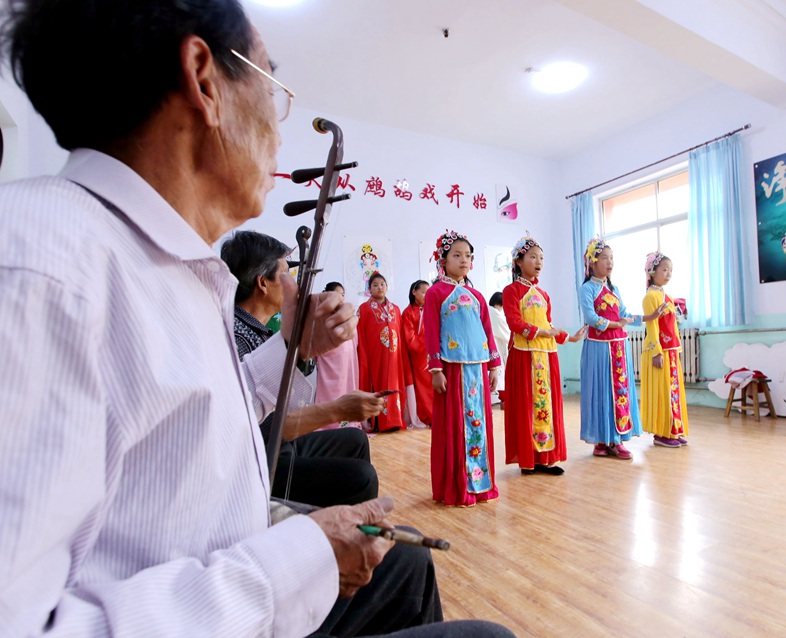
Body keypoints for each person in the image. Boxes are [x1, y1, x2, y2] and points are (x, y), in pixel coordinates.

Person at [0, 3, 515, 637]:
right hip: (211, 609)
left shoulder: (173, 265)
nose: (278, 125)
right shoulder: (37, 269)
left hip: (218, 571)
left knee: (404, 565)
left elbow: (215, 413)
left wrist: (296, 347)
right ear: (204, 80)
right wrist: (290, 562)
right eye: (272, 86)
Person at [221, 231, 380, 505]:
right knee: (360, 477)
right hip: (258, 461)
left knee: (355, 440)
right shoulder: (236, 335)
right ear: (263, 283)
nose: (294, 283)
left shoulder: (258, 330)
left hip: (280, 446)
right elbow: (265, 428)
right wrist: (339, 408)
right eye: (286, 274)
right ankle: (336, 538)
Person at [424, 230, 501, 507]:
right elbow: (431, 333)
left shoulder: (477, 296)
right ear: (442, 259)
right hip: (451, 369)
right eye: (456, 255)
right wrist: (436, 369)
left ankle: (480, 484)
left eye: (468, 255)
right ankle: (457, 487)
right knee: (455, 426)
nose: (464, 260)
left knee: (478, 424)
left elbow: (487, 332)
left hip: (477, 370)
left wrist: (493, 366)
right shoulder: (435, 293)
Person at [502, 235, 586, 475]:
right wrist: (543, 331)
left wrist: (570, 337)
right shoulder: (511, 291)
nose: (538, 262)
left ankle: (545, 458)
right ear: (518, 261)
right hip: (524, 356)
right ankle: (528, 459)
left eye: (541, 258)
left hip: (546, 358)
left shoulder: (543, 295)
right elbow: (514, 323)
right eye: (532, 257)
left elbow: (549, 324)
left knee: (546, 406)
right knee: (527, 406)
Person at [579, 238, 664, 460]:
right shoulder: (587, 289)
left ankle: (616, 438)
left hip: (618, 346)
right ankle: (601, 440)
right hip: (598, 348)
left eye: (612, 258)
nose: (610, 262)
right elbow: (591, 318)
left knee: (620, 392)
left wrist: (650, 317)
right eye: (605, 258)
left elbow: (625, 314)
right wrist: (616, 324)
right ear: (593, 262)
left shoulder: (614, 289)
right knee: (601, 391)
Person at [640, 251, 689, 448]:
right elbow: (652, 327)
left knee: (673, 391)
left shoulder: (667, 296)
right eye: (664, 270)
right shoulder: (650, 297)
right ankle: (662, 433)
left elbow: (673, 325)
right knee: (663, 392)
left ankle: (674, 430)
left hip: (671, 349)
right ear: (652, 272)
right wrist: (657, 351)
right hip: (659, 351)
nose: (668, 274)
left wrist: (677, 347)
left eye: (671, 270)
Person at [357, 272, 409, 432]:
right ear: (369, 289)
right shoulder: (364, 309)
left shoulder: (396, 309)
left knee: (394, 385)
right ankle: (378, 421)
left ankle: (394, 420)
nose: (379, 287)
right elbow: (360, 334)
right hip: (375, 357)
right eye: (375, 285)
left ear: (387, 287)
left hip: (394, 358)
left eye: (382, 284)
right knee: (378, 386)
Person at [314, 281, 365, 430]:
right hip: (330, 358)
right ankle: (328, 423)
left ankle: (347, 421)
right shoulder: (321, 313)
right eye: (337, 294)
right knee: (332, 390)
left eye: (343, 295)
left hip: (347, 357)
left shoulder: (347, 313)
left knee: (347, 386)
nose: (341, 298)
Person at [402, 280, 433, 428]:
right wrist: (423, 347)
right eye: (424, 292)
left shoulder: (432, 309)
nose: (426, 295)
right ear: (414, 292)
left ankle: (436, 414)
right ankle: (427, 416)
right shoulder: (407, 312)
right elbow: (409, 337)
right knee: (422, 388)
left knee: (434, 386)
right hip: (419, 356)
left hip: (433, 353)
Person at [487, 292, 510, 403]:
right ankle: (503, 400)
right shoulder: (495, 313)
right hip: (495, 344)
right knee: (499, 372)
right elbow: (506, 332)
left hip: (489, 343)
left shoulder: (487, 310)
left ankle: (501, 399)